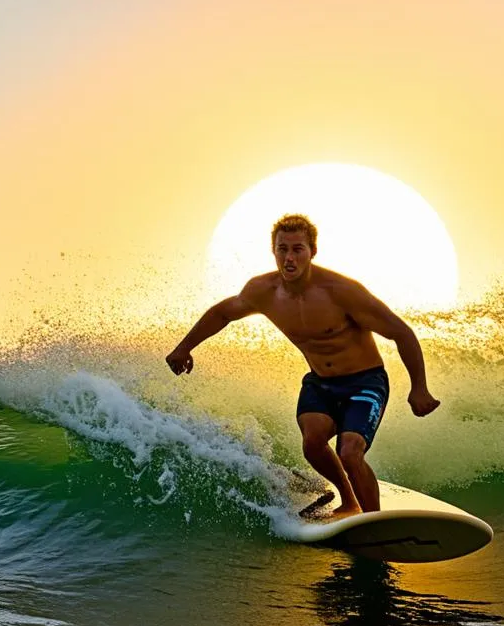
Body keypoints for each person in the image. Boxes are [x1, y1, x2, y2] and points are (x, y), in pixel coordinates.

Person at [166, 214, 440, 514]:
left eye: (298, 249)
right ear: (273, 251)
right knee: (312, 444)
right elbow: (222, 314)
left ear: (313, 251)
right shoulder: (264, 291)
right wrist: (184, 348)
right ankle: (348, 499)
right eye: (282, 249)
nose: (289, 258)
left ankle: (375, 522)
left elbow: (400, 332)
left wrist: (419, 388)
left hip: (364, 382)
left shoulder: (341, 291)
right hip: (321, 383)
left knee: (349, 452)